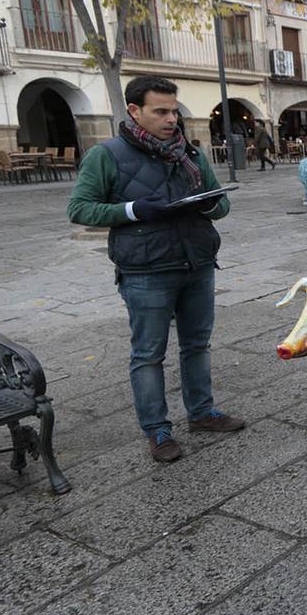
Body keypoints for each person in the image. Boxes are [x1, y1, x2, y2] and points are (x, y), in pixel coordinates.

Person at [67, 75, 245, 462]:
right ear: (134, 111)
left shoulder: (192, 154)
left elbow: (222, 205)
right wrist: (132, 210)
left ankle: (201, 412)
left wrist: (209, 205)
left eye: (174, 111)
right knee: (148, 353)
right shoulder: (107, 155)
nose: (171, 120)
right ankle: (158, 430)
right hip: (146, 271)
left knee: (197, 344)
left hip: (197, 263)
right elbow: (79, 209)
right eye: (160, 111)